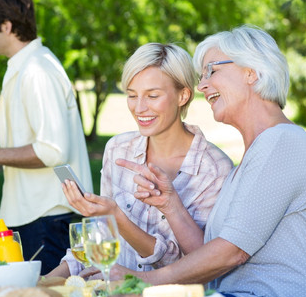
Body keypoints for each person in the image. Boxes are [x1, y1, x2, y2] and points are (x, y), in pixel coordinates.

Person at [106, 26, 306, 297]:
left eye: (211, 71)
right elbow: (209, 252)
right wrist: (170, 205)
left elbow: (232, 252)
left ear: (250, 72)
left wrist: (146, 284)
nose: (202, 86)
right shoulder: (256, 154)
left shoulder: (283, 142)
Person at [50, 43, 233, 278]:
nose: (139, 108)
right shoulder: (117, 150)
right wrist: (45, 281)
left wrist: (119, 218)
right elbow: (98, 244)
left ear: (183, 95)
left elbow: (197, 266)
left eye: (152, 96)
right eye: (132, 95)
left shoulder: (214, 170)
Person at [0, 0, 93, 274]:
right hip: (36, 218)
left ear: (6, 26)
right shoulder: (25, 67)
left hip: (47, 221)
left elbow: (53, 151)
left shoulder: (37, 71)